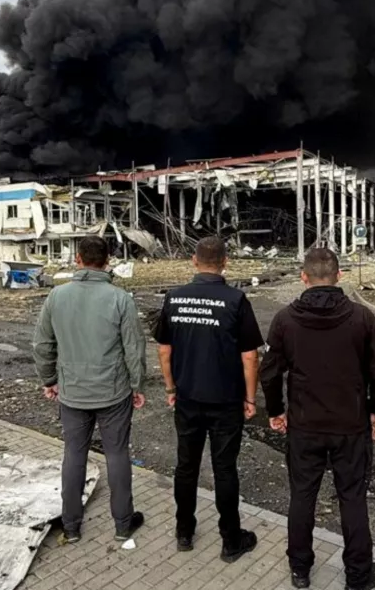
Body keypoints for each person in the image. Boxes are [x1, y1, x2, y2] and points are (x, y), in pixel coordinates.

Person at [260, 247, 375, 590]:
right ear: (339, 276)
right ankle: (358, 576)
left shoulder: (286, 320)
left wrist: (275, 410)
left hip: (305, 425)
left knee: (302, 496)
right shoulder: (361, 318)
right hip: (350, 424)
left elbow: (270, 372)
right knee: (352, 498)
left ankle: (300, 569)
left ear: (303, 277)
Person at [154, 236, 263, 562]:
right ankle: (231, 540)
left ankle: (184, 532)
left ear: (194, 261)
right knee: (224, 469)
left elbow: (164, 351)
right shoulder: (236, 300)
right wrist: (250, 398)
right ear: (225, 262)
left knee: (186, 467)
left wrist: (171, 388)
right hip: (226, 400)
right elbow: (250, 356)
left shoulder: (174, 298)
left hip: (187, 398)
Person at [33, 235, 148, 543]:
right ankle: (123, 524)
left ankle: (71, 527)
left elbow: (42, 344)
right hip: (113, 392)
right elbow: (134, 348)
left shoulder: (56, 296)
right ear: (107, 261)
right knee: (117, 454)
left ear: (78, 260)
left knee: (74, 455)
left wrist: (49, 380)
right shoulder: (120, 298)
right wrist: (137, 385)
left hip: (72, 392)